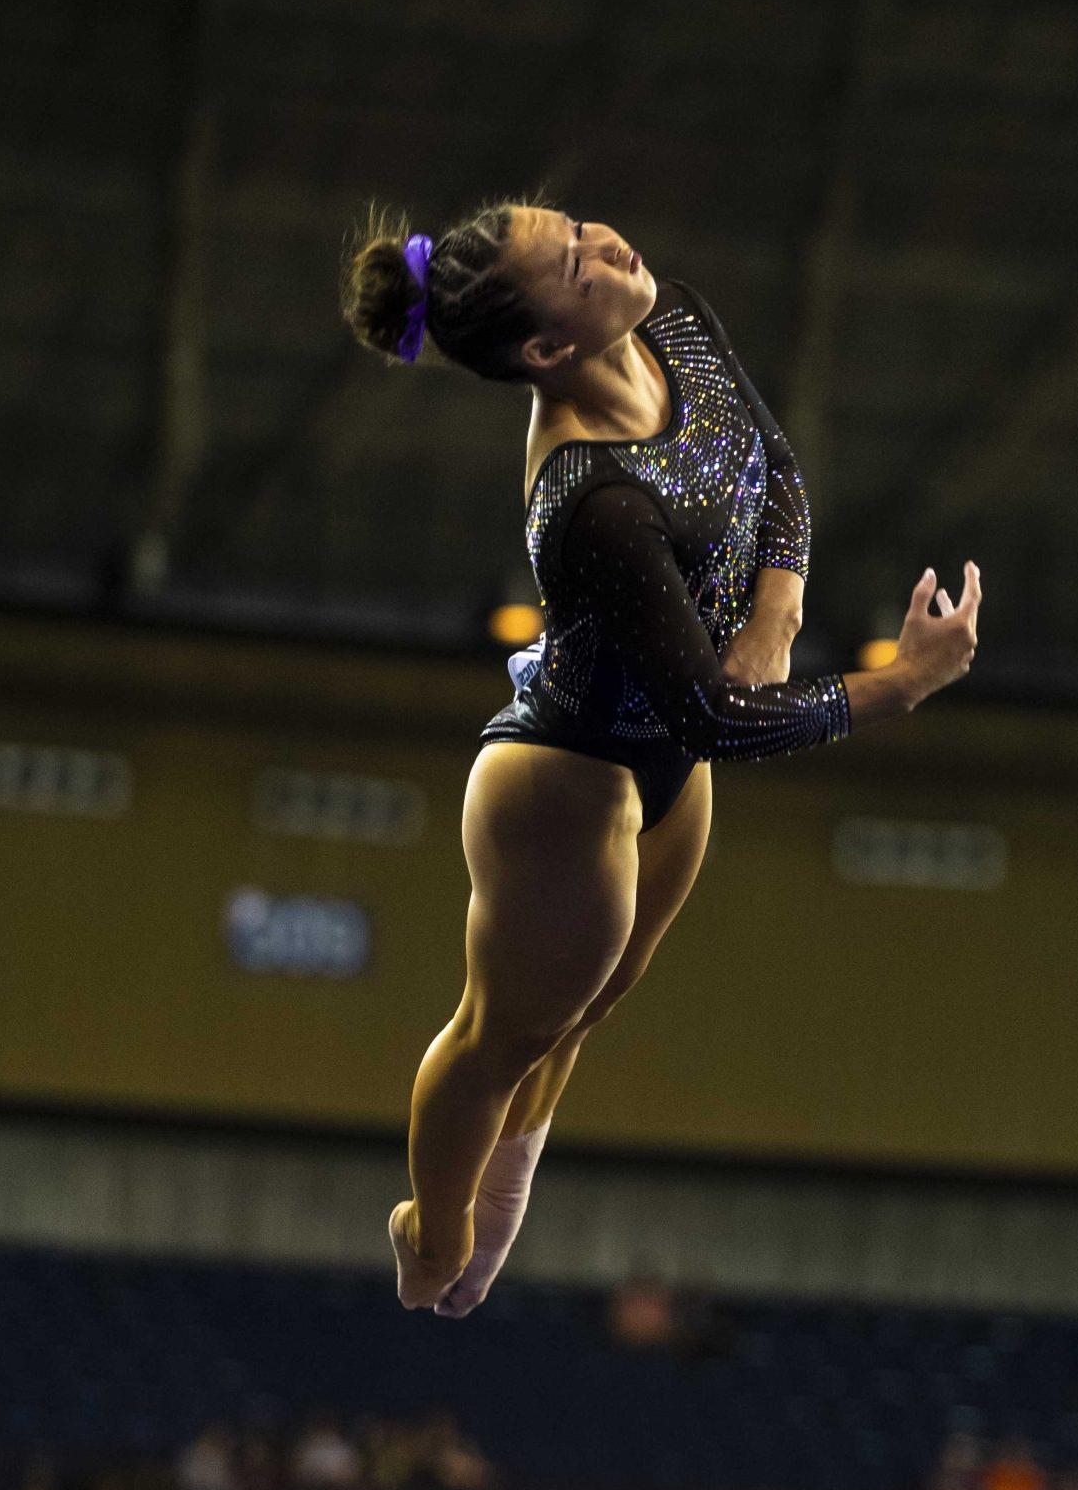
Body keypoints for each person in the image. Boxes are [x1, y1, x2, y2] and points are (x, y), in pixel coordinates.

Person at [342, 201, 981, 1312]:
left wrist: (776, 612)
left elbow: (771, 464)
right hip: (566, 781)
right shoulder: (591, 499)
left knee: (588, 1007)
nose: (610, 245)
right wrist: (902, 683)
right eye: (577, 264)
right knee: (504, 1032)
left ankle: (493, 1222)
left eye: (583, 224)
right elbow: (716, 723)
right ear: (547, 350)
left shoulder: (670, 314)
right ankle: (431, 1235)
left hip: (665, 765)